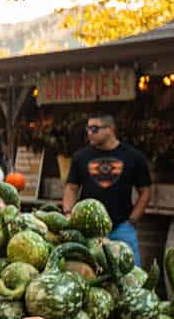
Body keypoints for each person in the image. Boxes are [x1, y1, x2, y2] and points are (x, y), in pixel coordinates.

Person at [62, 113, 152, 264]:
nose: (89, 132)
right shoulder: (80, 157)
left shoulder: (134, 157)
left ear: (110, 129)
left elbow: (145, 191)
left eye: (94, 129)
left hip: (121, 228)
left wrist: (132, 220)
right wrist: (68, 214)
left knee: (134, 276)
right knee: (89, 274)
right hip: (88, 230)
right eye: (88, 128)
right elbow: (71, 188)